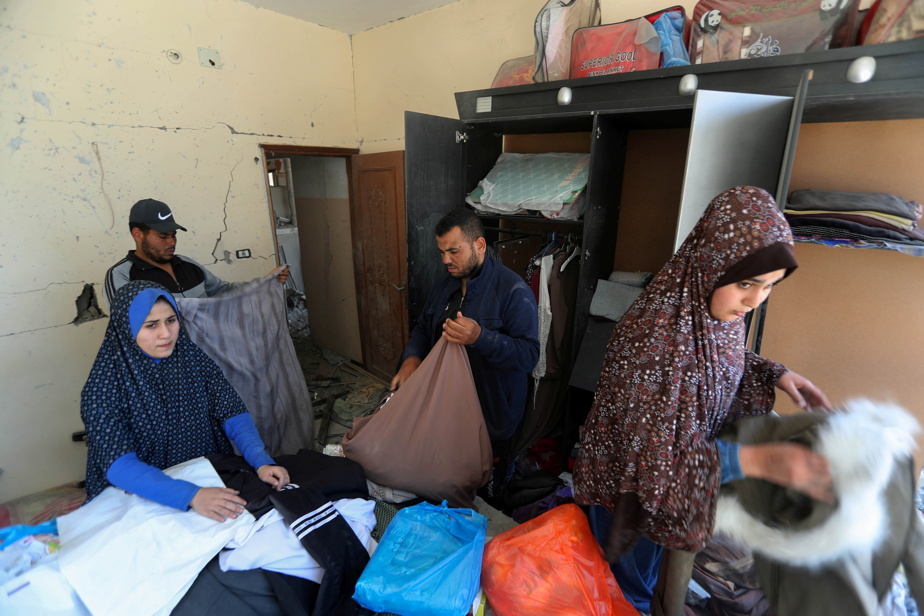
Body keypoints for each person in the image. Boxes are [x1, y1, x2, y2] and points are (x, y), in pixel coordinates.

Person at [574, 186, 834, 616]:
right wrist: (760, 461)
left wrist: (777, 373)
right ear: (711, 263)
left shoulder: (713, 313)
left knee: (652, 578)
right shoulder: (654, 344)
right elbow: (657, 465)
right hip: (632, 494)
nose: (754, 300)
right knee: (624, 590)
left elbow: (716, 359)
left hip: (670, 485)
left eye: (769, 286)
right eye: (746, 283)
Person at [81, 280, 290, 522]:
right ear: (126, 328)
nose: (166, 334)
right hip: (140, 494)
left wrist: (261, 461)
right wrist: (191, 495)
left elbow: (232, 412)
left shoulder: (192, 359)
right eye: (151, 325)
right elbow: (119, 465)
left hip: (205, 474)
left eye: (171, 320)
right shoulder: (102, 388)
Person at [389, 208, 540, 496]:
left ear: (479, 245)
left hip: (491, 412)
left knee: (483, 484)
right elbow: (423, 327)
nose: (446, 260)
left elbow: (529, 355)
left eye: (454, 251)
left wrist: (481, 338)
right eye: (442, 252)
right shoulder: (445, 283)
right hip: (446, 403)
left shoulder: (513, 291)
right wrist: (411, 359)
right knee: (447, 473)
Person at [104, 198, 288, 306]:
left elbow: (223, 291)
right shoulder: (122, 275)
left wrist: (265, 282)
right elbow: (128, 323)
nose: (172, 242)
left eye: (173, 235)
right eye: (163, 236)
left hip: (208, 355)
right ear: (138, 234)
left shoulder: (187, 264)